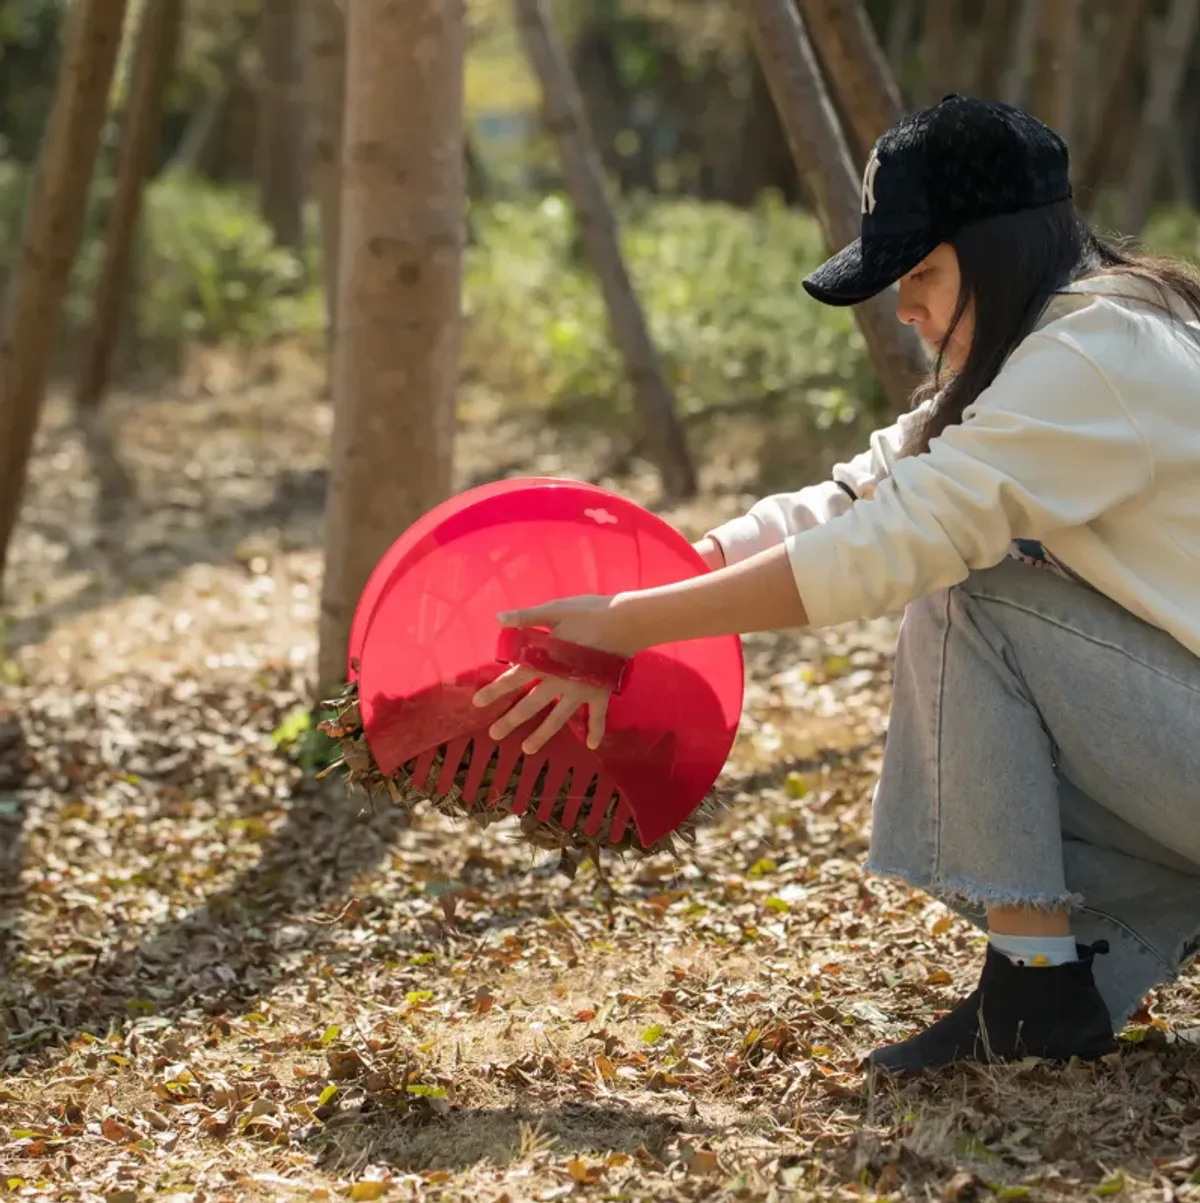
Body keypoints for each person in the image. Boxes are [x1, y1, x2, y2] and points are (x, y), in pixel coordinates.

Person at [471, 94, 1200, 1075]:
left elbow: (893, 544)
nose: (904, 306)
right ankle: (1049, 976)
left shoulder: (1089, 357)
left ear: (1002, 249)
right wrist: (657, 587)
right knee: (968, 576)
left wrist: (631, 627)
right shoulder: (1081, 332)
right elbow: (859, 494)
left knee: (968, 595)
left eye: (925, 272)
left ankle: (1035, 992)